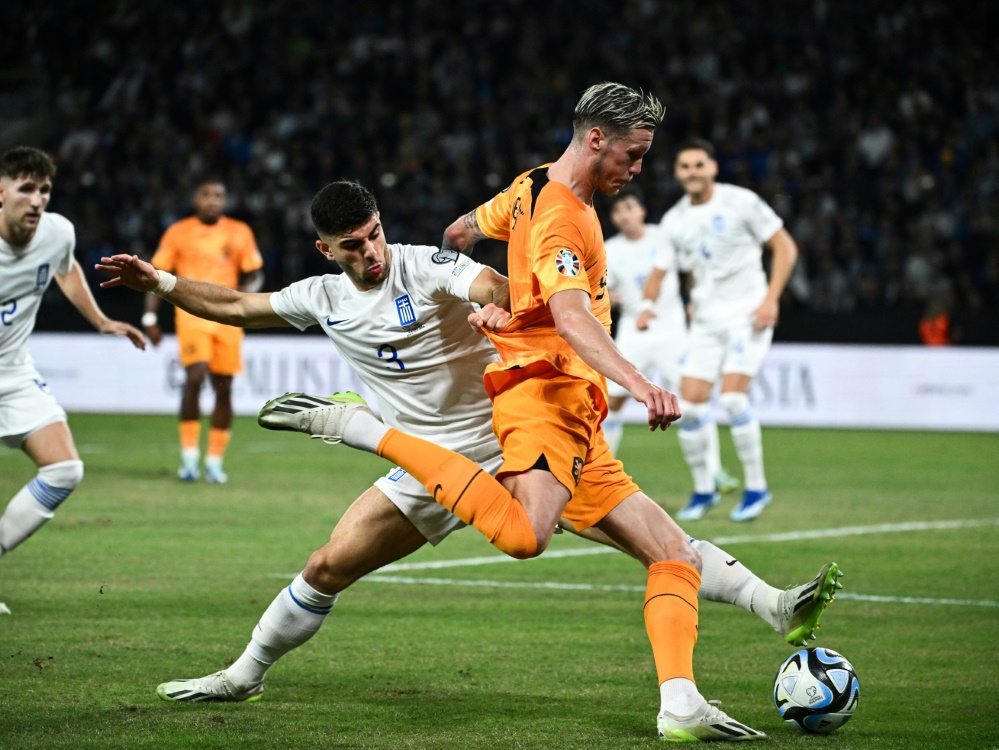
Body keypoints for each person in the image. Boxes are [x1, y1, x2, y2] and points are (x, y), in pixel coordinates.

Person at [97, 179, 840, 740]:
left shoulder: (422, 267)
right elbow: (234, 307)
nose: (372, 251)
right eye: (353, 244)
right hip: (426, 465)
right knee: (327, 566)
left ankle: (772, 606)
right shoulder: (319, 296)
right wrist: (160, 284)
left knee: (659, 545)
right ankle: (241, 676)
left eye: (375, 233)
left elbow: (486, 281)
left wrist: (497, 305)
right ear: (326, 250)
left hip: (515, 440)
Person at [0, 146, 145, 614]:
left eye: (44, 189)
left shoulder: (58, 232)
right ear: (0, 193)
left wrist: (101, 321)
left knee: (64, 469)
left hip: (13, 371)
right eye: (26, 189)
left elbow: (66, 269)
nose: (37, 200)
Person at [640, 138, 799, 522]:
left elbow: (785, 247)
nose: (692, 173)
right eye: (685, 167)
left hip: (748, 316)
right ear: (677, 174)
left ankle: (757, 488)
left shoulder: (741, 201)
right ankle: (703, 490)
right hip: (706, 323)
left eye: (699, 165)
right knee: (691, 408)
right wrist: (646, 306)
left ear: (712, 168)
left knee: (731, 401)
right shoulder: (675, 219)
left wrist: (771, 299)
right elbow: (661, 270)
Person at [601, 185, 738, 498]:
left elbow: (691, 267)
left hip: (672, 332)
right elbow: (601, 289)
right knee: (612, 402)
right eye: (618, 211)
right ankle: (602, 473)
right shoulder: (610, 249)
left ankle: (714, 470)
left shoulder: (663, 237)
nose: (624, 215)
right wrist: (612, 296)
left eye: (629, 208)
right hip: (633, 333)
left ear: (642, 212)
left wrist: (694, 298)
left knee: (693, 401)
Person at [142, 180, 264, 484]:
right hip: (191, 316)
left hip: (228, 318)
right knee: (195, 377)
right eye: (207, 195)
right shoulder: (178, 232)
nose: (213, 201)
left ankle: (214, 461)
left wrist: (247, 298)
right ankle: (188, 459)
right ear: (196, 199)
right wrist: (149, 318)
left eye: (219, 196)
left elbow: (255, 273)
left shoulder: (239, 231)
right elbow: (155, 276)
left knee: (224, 388)